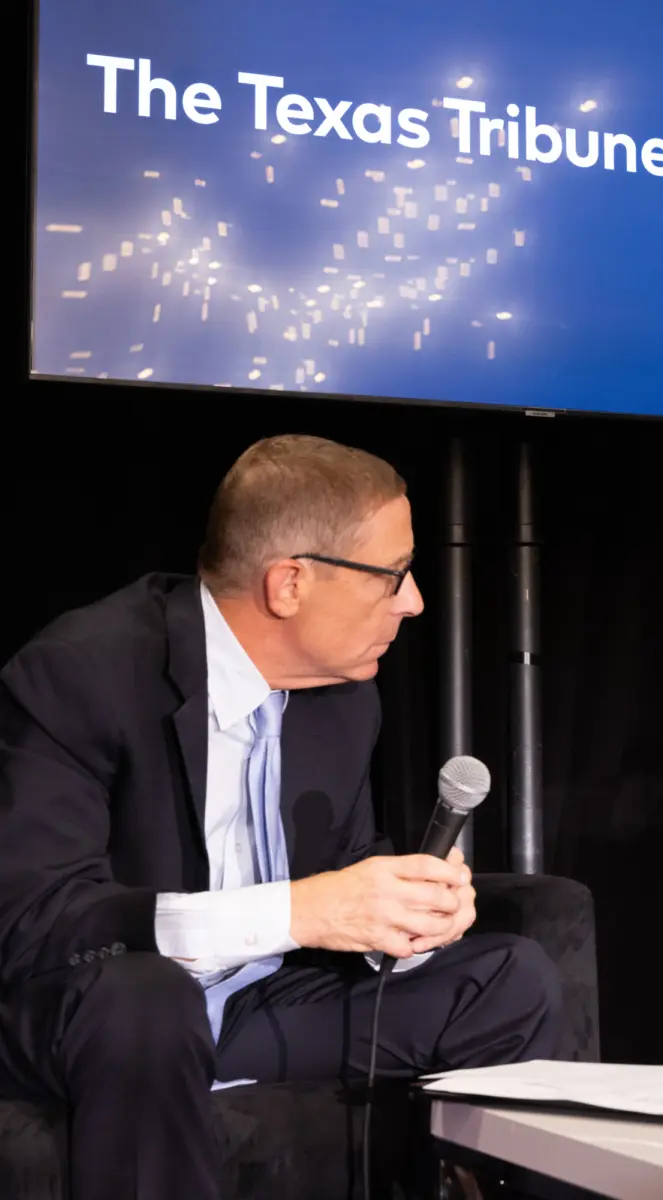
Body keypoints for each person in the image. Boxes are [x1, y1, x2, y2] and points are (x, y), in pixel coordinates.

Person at [0, 434, 563, 1200]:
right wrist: (298, 911)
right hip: (95, 1012)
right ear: (289, 583)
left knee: (511, 978)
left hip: (254, 1005)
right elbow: (34, 922)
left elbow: (350, 865)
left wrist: (402, 915)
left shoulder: (343, 694)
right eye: (394, 574)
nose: (414, 600)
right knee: (148, 999)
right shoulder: (83, 671)